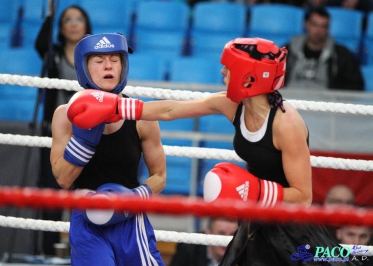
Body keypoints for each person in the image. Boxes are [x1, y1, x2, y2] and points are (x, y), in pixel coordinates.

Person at [66, 37, 360, 265]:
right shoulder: (230, 104)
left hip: (289, 227)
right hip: (255, 219)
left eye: (228, 68)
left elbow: (304, 196)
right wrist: (119, 107)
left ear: (249, 77)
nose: (221, 71)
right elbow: (170, 109)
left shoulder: (287, 124)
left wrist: (254, 190)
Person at [50, 33, 167, 265]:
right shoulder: (65, 115)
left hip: (130, 218)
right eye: (99, 60)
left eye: (115, 59)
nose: (108, 66)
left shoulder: (142, 116)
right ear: (84, 66)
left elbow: (160, 176)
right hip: (87, 220)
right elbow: (63, 179)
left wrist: (134, 197)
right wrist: (84, 139)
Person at [34, 1, 92, 255]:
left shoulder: (93, 57)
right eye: (67, 20)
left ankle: (80, 253)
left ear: (86, 25)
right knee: (51, 194)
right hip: (55, 135)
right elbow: (40, 43)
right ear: (61, 27)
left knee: (83, 195)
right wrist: (50, 13)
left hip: (87, 135)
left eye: (78, 19)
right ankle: (47, 253)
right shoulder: (53, 54)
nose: (73, 24)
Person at [284, 6, 364, 91]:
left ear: (328, 29)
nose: (318, 30)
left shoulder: (341, 55)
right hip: (290, 99)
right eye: (314, 25)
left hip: (324, 102)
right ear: (305, 24)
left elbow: (357, 84)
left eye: (323, 26)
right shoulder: (287, 51)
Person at [170, 218, 238, 266]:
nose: (226, 240)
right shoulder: (189, 248)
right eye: (221, 233)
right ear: (208, 233)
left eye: (232, 234)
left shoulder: (242, 253)